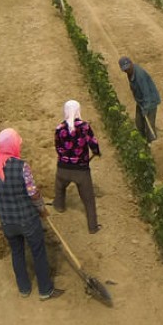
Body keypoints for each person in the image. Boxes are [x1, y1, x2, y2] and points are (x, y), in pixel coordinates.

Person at [0, 128, 64, 301]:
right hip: (27, 219)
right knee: (38, 252)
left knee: (17, 252)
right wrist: (42, 208)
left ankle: (24, 288)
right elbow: (33, 193)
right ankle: (45, 290)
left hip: (7, 220)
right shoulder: (22, 166)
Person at [54, 100, 102, 234]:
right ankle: (93, 227)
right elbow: (93, 143)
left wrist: (65, 157)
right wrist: (96, 152)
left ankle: (59, 206)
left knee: (60, 188)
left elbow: (57, 147)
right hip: (81, 170)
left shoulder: (59, 128)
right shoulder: (85, 127)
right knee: (89, 200)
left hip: (62, 168)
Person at [119, 56, 160, 143]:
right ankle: (142, 143)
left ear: (131, 64)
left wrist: (146, 108)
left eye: (128, 68)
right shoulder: (130, 73)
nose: (127, 70)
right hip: (141, 102)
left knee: (149, 126)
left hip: (150, 102)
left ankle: (154, 145)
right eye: (125, 69)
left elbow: (146, 93)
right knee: (139, 123)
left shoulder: (139, 75)